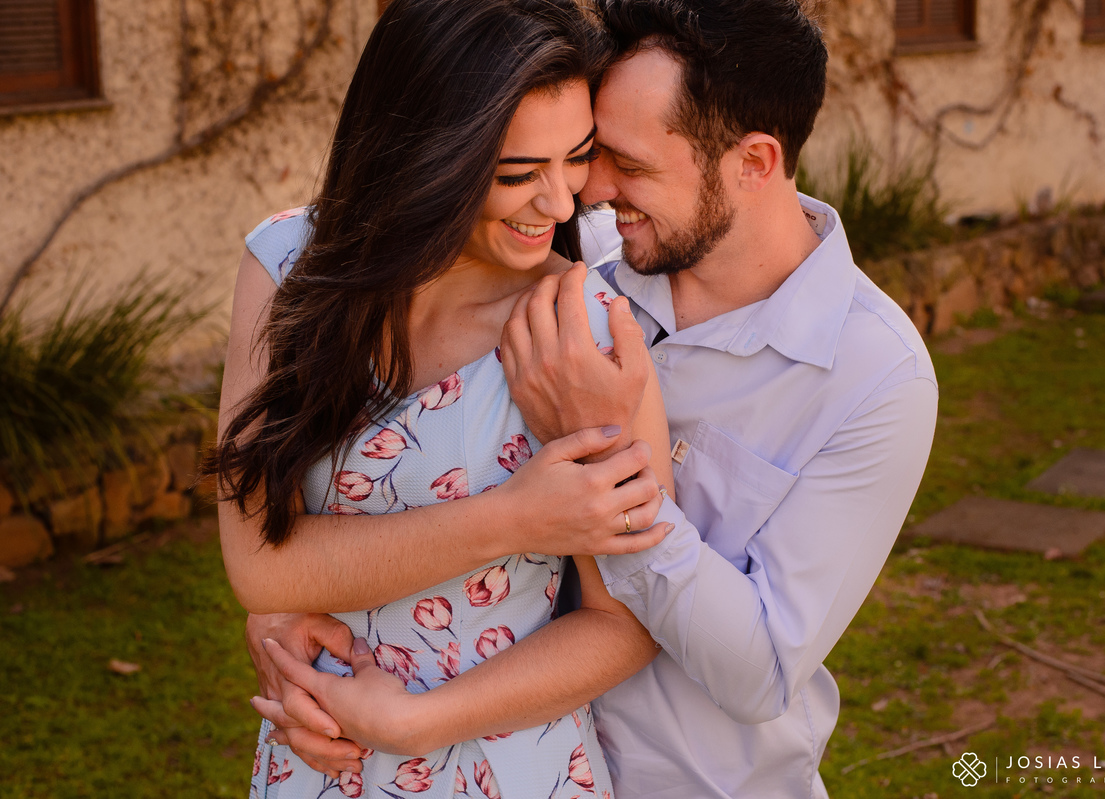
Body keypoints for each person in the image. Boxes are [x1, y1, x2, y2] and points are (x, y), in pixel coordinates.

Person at [254, 1, 938, 797]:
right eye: (590, 152)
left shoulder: (874, 377)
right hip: (502, 758)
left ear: (754, 161)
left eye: (627, 163)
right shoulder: (585, 264)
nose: (590, 191)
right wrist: (284, 615)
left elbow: (761, 667)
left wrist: (604, 459)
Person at [211, 1, 681, 796]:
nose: (562, 204)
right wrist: (514, 519)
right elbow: (259, 565)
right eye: (517, 174)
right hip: (316, 755)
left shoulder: (580, 331)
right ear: (423, 154)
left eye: (576, 158)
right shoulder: (286, 264)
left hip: (514, 766)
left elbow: (627, 623)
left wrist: (414, 723)